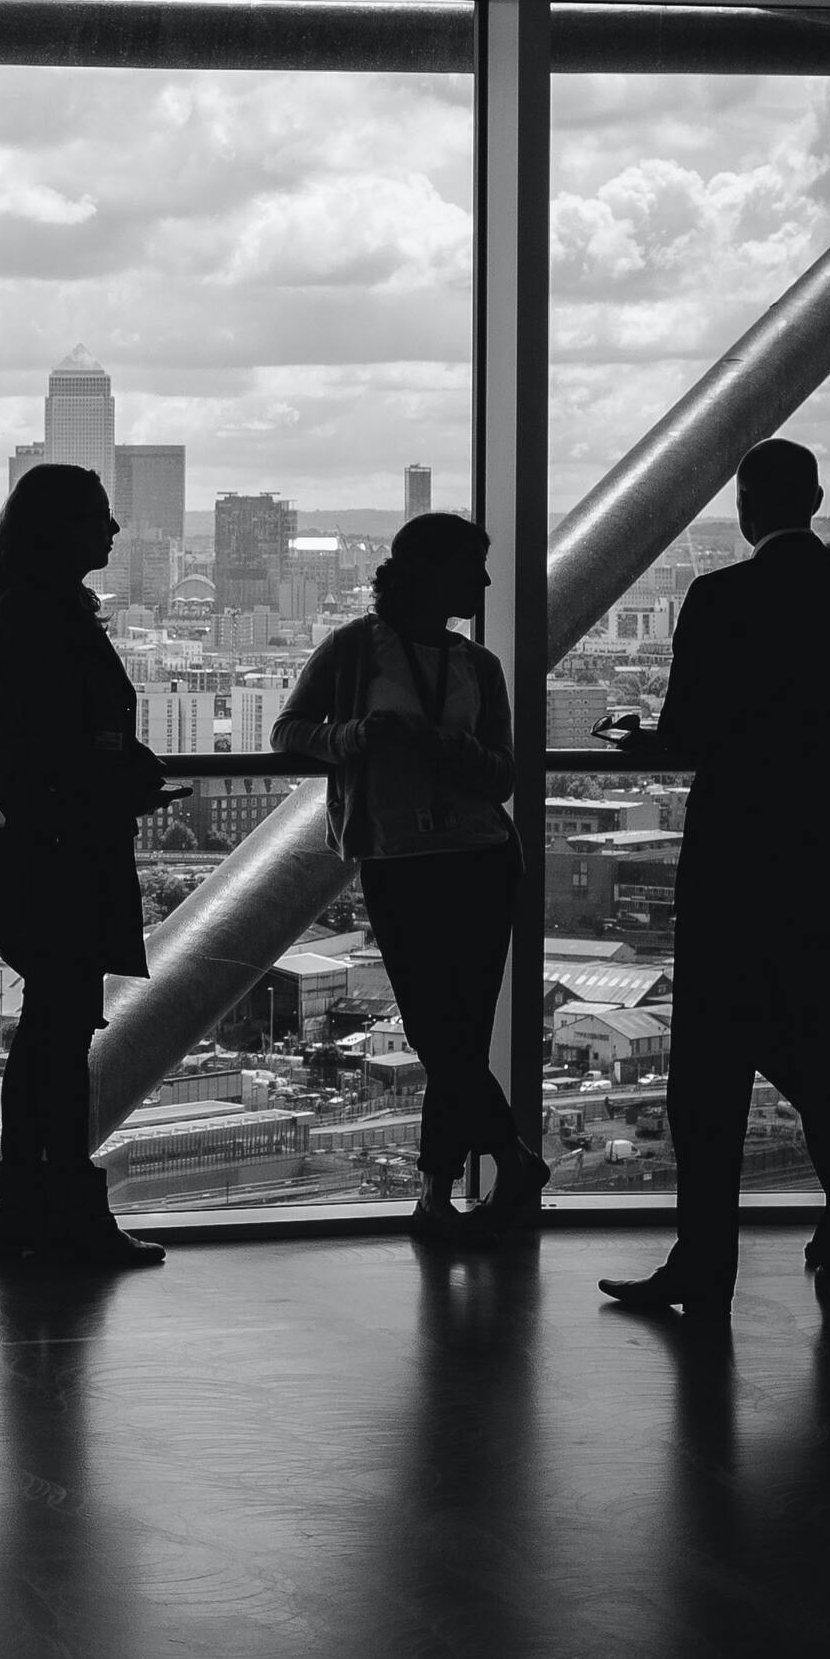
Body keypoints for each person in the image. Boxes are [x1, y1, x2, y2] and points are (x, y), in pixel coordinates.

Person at [599, 438, 830, 1317]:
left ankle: (706, 1263)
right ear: (816, 498)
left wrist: (641, 743)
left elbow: (693, 734)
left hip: (742, 863)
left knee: (711, 1069)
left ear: (747, 509)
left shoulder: (722, 597)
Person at [274, 512, 542, 1241]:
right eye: (473, 566)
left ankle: (435, 1195)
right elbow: (289, 731)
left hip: (472, 858)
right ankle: (509, 1159)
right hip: (414, 859)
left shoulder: (477, 666)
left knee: (451, 1035)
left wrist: (435, 743)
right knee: (441, 1034)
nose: (485, 581)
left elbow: (500, 775)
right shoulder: (356, 650)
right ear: (432, 574)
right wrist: (357, 737)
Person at [0, 462, 177, 1267]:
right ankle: (61, 1210)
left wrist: (117, 768)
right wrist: (125, 777)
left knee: (52, 1031)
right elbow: (60, 741)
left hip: (38, 841)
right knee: (59, 1034)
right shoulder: (48, 615)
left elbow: (42, 735)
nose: (114, 532)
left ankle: (31, 1208)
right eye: (100, 517)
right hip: (60, 847)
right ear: (61, 528)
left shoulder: (24, 610)